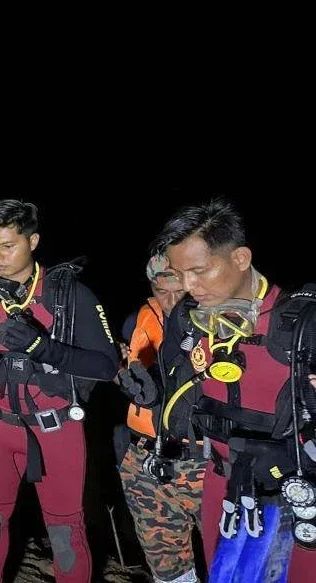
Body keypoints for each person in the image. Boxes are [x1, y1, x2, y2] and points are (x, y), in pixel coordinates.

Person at [0, 199, 118, 583]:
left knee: (65, 531)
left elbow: (106, 365)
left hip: (56, 429)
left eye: (7, 246)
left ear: (33, 240)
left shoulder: (67, 295)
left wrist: (42, 348)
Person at [151, 199, 316, 581]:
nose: (188, 286)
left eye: (200, 270)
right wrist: (154, 399)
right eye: (179, 273)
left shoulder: (302, 324)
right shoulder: (186, 320)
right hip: (220, 484)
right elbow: (181, 405)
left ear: (241, 257)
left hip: (294, 491)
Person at [115, 254, 205, 583]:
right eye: (160, 290)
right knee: (168, 569)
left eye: (178, 290)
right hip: (146, 460)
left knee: (230, 561)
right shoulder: (136, 321)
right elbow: (122, 376)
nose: (170, 300)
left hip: (204, 462)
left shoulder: (218, 323)